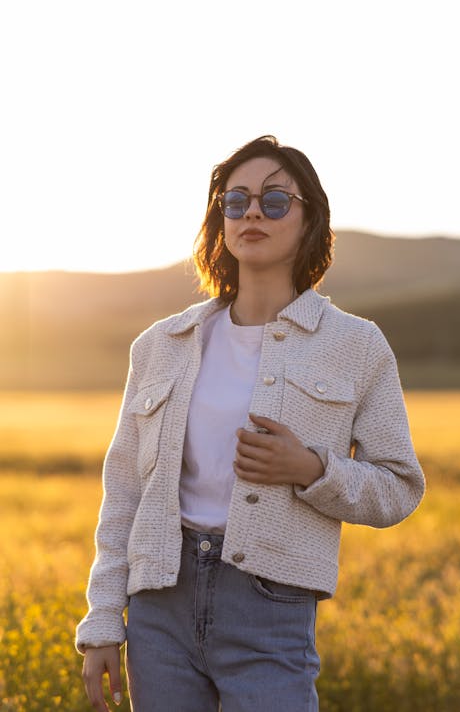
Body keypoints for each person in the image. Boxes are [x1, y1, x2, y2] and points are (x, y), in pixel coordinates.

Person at [76, 135, 425, 712]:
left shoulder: (356, 345)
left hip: (271, 604)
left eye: (275, 200)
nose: (253, 212)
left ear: (309, 217)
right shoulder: (161, 345)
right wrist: (104, 619)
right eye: (235, 202)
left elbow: (399, 486)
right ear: (221, 222)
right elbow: (124, 497)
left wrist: (313, 470)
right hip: (160, 602)